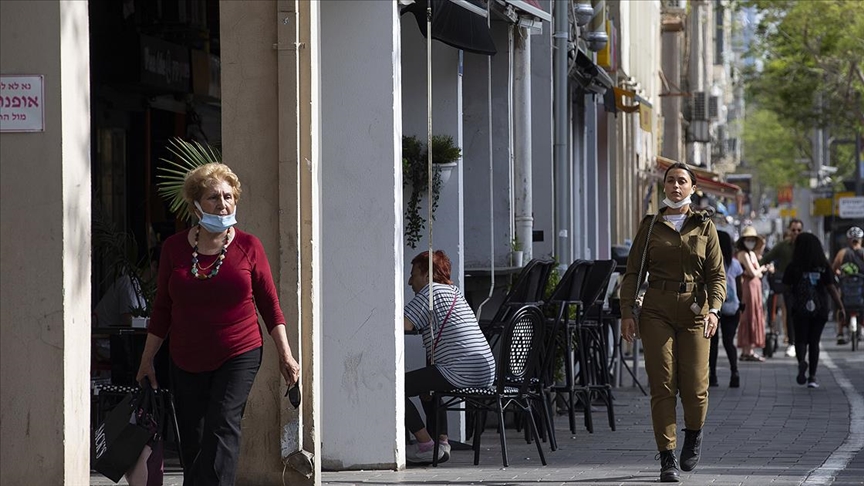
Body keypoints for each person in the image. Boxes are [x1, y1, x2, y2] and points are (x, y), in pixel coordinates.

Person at [135, 162, 300, 485]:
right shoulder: (174, 248)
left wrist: (286, 354)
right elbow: (163, 308)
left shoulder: (249, 246)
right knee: (193, 439)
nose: (223, 204)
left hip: (239, 352)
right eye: (213, 197)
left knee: (222, 424)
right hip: (185, 357)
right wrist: (146, 359)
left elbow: (269, 304)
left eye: (228, 196)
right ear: (196, 205)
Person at [620, 162, 726, 483]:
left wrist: (714, 310)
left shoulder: (704, 226)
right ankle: (667, 456)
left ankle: (693, 432)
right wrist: (627, 312)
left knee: (695, 386)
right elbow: (633, 272)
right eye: (670, 181)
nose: (675, 186)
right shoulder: (651, 225)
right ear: (663, 186)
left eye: (682, 181)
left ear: (693, 188)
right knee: (662, 383)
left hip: (696, 311)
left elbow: (716, 275)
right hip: (657, 310)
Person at [403, 250, 495, 465]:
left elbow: (403, 325)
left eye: (413, 275)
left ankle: (426, 445)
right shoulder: (454, 292)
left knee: (394, 388)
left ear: (428, 275)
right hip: (484, 371)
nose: (409, 282)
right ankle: (441, 443)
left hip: (461, 369)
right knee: (427, 388)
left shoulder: (430, 292)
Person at [784, 233, 846, 388]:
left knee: (800, 340)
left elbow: (786, 287)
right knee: (814, 342)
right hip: (820, 309)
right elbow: (831, 288)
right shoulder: (823, 266)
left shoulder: (794, 266)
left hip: (799, 308)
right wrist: (840, 307)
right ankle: (812, 377)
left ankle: (801, 361)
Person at [761, 219, 804, 355]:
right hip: (789, 286)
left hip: (805, 286)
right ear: (789, 231)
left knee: (804, 314)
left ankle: (803, 340)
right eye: (793, 230)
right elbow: (767, 257)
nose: (796, 232)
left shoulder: (807, 245)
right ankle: (792, 343)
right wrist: (755, 266)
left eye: (799, 230)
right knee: (790, 314)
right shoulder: (783, 246)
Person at [709, 230, 743, 388]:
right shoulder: (734, 264)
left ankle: (713, 375)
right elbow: (739, 288)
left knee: (713, 342)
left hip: (713, 307)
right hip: (732, 307)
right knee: (729, 342)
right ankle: (734, 372)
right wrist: (741, 305)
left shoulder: (710, 262)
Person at [735, 226, 773, 362]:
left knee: (756, 315)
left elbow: (756, 272)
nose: (750, 242)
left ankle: (750, 350)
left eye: (752, 239)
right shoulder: (743, 254)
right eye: (748, 239)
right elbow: (753, 272)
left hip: (756, 287)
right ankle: (746, 350)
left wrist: (759, 270)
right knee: (748, 316)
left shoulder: (751, 254)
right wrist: (761, 269)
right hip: (748, 287)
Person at [831, 226, 864, 344]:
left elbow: (833, 268)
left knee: (840, 304)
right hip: (861, 287)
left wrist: (838, 273)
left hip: (845, 286)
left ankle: (840, 332)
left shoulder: (842, 253)